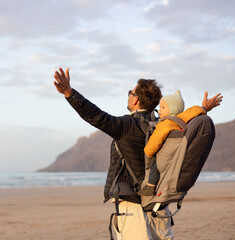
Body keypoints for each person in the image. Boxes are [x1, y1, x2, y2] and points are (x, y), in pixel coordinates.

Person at [53, 67, 223, 240]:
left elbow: (97, 117)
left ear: (136, 101)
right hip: (159, 206)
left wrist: (69, 93)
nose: (128, 96)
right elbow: (186, 120)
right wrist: (204, 108)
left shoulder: (127, 126)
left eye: (130, 92)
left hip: (133, 208)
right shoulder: (164, 125)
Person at [138, 90, 207, 196]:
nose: (159, 110)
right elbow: (193, 111)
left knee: (154, 163)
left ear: (173, 109)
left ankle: (151, 187)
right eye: (160, 107)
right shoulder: (183, 118)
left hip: (165, 157)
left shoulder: (165, 124)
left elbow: (156, 139)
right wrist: (203, 108)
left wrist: (148, 151)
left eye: (163, 107)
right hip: (177, 155)